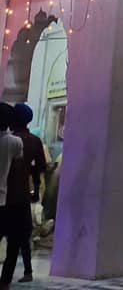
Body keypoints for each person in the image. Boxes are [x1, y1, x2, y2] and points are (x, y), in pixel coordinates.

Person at [10, 107, 44, 283]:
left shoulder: (11, 140)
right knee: (23, 234)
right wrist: (36, 190)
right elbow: (39, 168)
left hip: (7, 192)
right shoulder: (35, 141)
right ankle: (28, 271)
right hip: (23, 192)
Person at [0, 103, 26, 290]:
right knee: (13, 243)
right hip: (5, 200)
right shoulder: (14, 142)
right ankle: (4, 282)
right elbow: (17, 172)